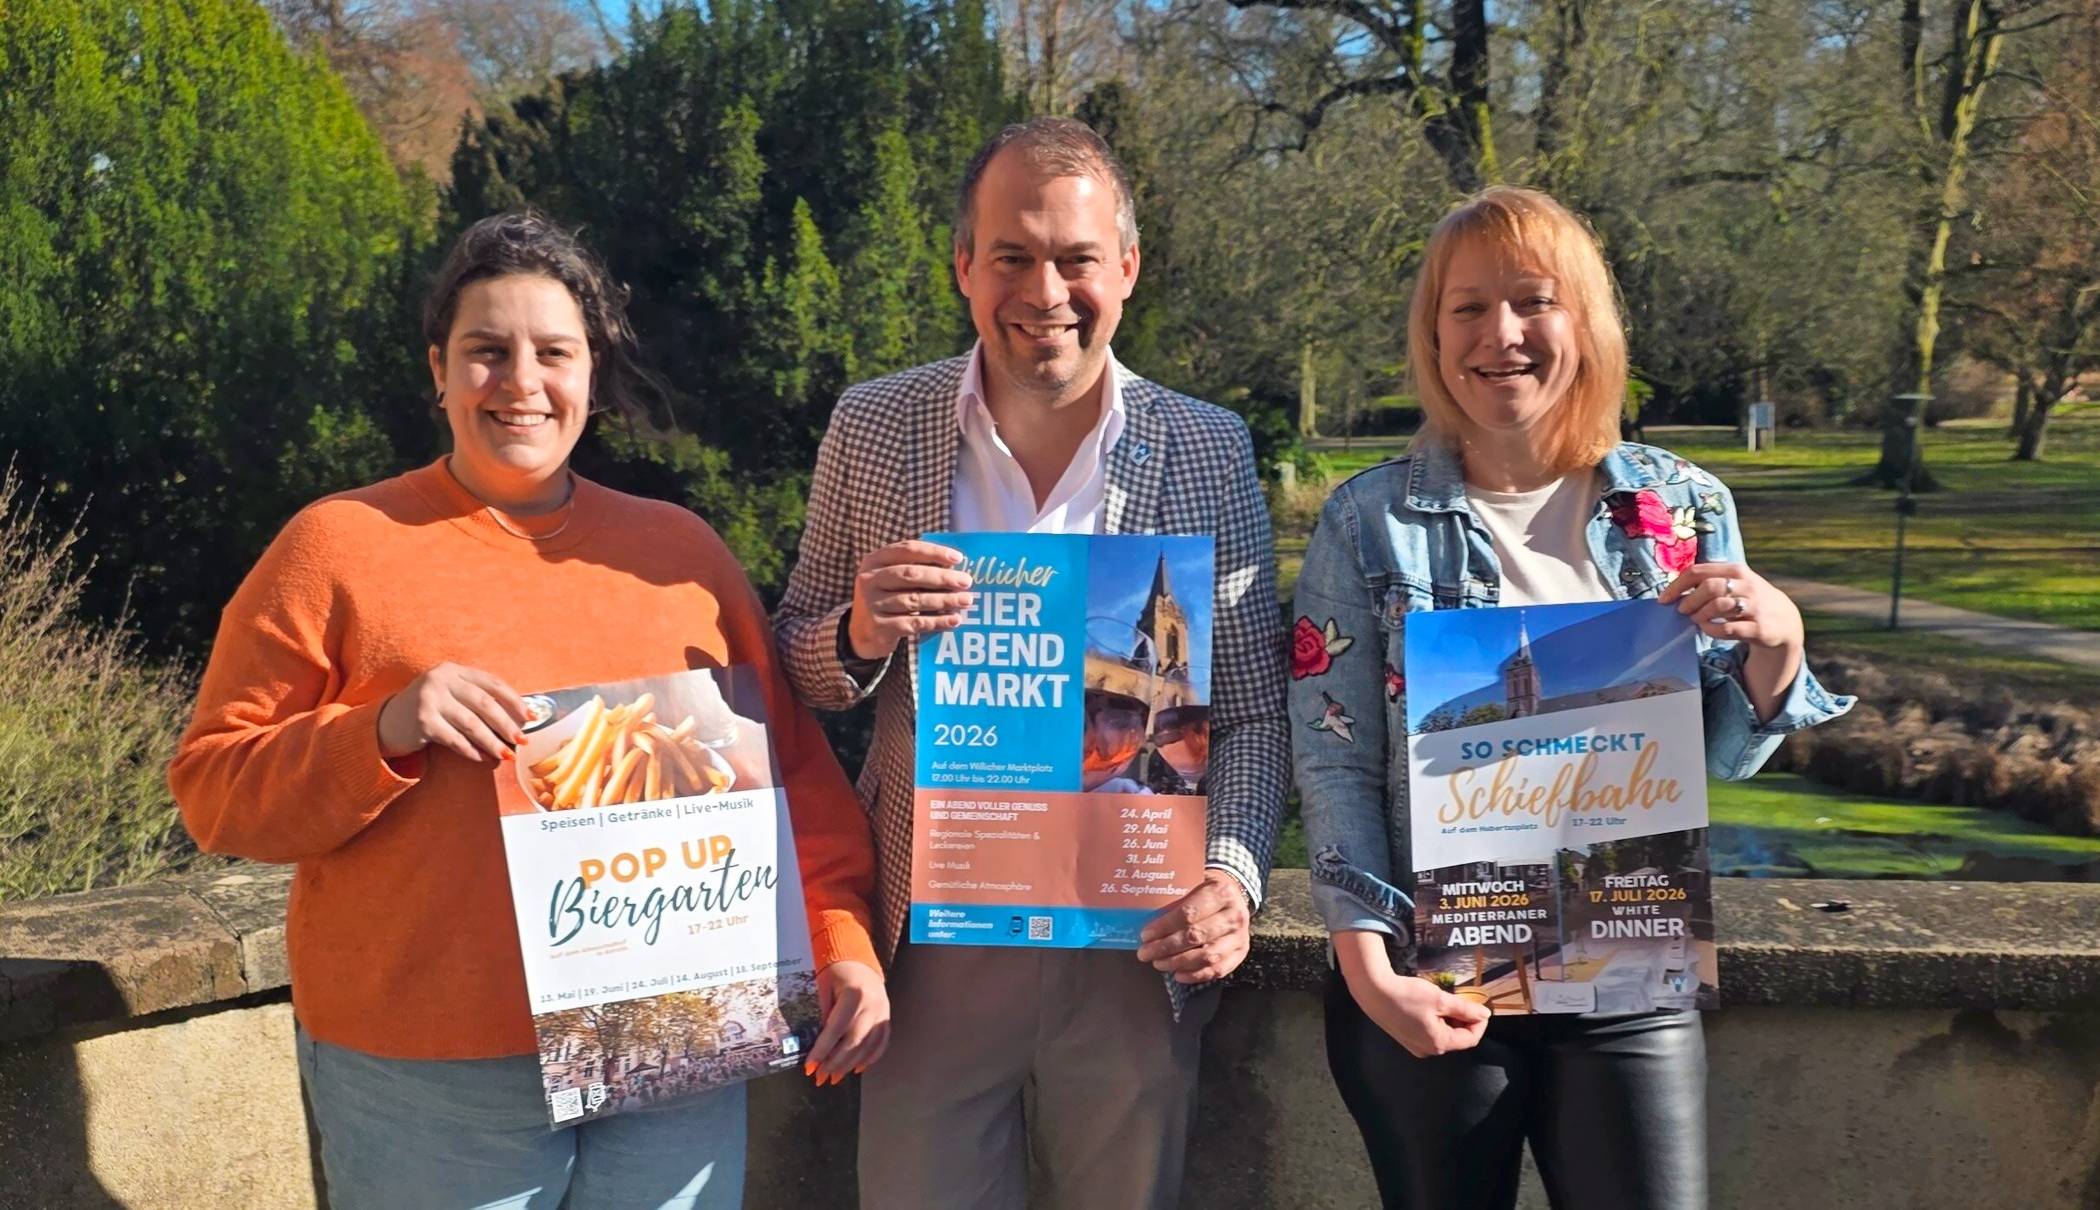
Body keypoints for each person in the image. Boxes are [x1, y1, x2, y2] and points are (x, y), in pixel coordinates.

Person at [167, 212, 889, 1210]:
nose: (520, 382)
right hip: (431, 1077)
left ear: (591, 370)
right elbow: (216, 792)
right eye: (486, 352)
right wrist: (383, 726)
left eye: (552, 352)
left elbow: (791, 780)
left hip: (669, 1049)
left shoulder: (681, 554)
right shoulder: (336, 546)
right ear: (439, 368)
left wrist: (844, 944)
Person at [1288, 186, 1853, 1210]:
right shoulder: (1368, 523)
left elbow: (1721, 752)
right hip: (1432, 974)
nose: (1501, 334)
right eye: (1467, 306)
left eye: (1533, 300)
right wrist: (1371, 974)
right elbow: (1332, 760)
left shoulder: (1679, 509)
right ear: (1433, 332)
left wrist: (1781, 641)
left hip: (1627, 973)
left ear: (1583, 322)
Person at [773, 116, 1290, 1210]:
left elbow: (1248, 712)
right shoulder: (874, 426)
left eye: (1076, 258)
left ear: (1128, 270)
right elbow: (793, 658)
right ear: (964, 266)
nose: (1044, 288)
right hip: (934, 933)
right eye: (1012, 254)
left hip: (1134, 936)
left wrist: (1234, 879)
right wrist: (860, 633)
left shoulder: (1206, 445)